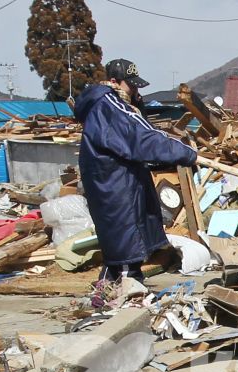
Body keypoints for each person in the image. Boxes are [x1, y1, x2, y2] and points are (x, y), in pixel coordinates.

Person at [73, 57, 195, 285]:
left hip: (109, 179)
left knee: (117, 243)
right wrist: (186, 152)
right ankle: (128, 291)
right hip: (117, 182)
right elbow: (142, 137)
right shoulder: (111, 106)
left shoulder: (104, 106)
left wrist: (137, 104)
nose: (136, 90)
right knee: (127, 240)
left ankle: (108, 286)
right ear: (114, 82)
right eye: (132, 85)